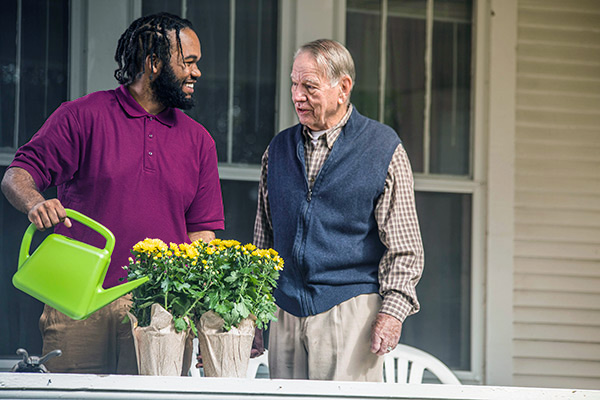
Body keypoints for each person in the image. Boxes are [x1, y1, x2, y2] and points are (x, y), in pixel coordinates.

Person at [1, 13, 224, 374]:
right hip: (76, 301)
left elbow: (202, 234)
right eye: (189, 62)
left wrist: (198, 309)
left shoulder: (199, 142)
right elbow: (17, 175)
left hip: (159, 311)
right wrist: (36, 204)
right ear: (153, 64)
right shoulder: (81, 116)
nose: (196, 73)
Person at [253, 39, 424, 382]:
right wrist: (256, 314)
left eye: (309, 86)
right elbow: (263, 240)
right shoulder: (278, 149)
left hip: (350, 310)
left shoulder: (382, 147)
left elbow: (405, 249)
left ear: (342, 88)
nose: (297, 95)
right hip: (285, 311)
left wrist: (392, 313)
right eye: (294, 83)